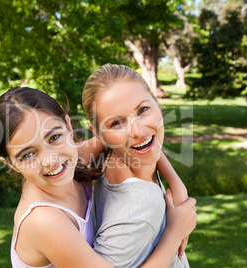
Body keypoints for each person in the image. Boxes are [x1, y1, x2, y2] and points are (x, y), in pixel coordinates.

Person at [0, 87, 196, 268]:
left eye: (53, 137)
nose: (49, 161)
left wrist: (177, 186)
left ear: (68, 126)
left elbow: (137, 141)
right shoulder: (45, 220)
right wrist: (175, 232)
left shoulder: (70, 160)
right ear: (10, 164)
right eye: (27, 155)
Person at [82, 63, 192, 267]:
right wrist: (176, 232)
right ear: (97, 133)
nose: (138, 130)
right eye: (116, 123)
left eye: (142, 110)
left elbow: (148, 142)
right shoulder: (141, 204)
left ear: (156, 102)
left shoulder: (110, 155)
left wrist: (177, 184)